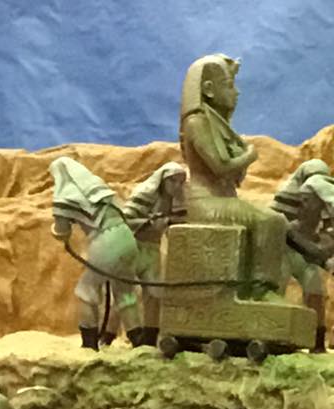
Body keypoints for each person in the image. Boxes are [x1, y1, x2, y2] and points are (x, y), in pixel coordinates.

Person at [179, 54, 288, 295]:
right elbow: (221, 166)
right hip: (206, 203)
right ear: (208, 89)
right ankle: (260, 290)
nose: (236, 93)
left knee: (276, 222)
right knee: (271, 221)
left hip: (223, 198)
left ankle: (257, 289)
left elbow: (232, 175)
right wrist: (249, 155)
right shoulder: (197, 122)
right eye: (229, 85)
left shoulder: (214, 123)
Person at [49, 157, 149, 350]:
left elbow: (61, 231)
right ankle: (138, 340)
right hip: (126, 237)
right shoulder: (100, 189)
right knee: (125, 291)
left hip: (106, 240)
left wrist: (57, 231)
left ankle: (89, 343)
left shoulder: (64, 196)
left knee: (87, 291)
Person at [101, 163, 187, 347]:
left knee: (154, 294)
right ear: (163, 180)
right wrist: (149, 222)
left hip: (152, 249)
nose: (177, 186)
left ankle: (149, 338)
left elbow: (179, 221)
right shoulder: (145, 194)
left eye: (181, 182)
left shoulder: (177, 200)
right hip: (132, 246)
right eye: (173, 181)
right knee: (124, 296)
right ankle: (106, 337)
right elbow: (125, 220)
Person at [271, 160, 334, 352]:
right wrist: (315, 251)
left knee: (315, 291)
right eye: (304, 199)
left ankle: (317, 342)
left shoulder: (320, 206)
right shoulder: (284, 210)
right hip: (281, 252)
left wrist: (321, 251)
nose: (306, 202)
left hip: (303, 255)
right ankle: (271, 337)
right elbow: (285, 232)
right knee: (275, 291)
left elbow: (322, 241)